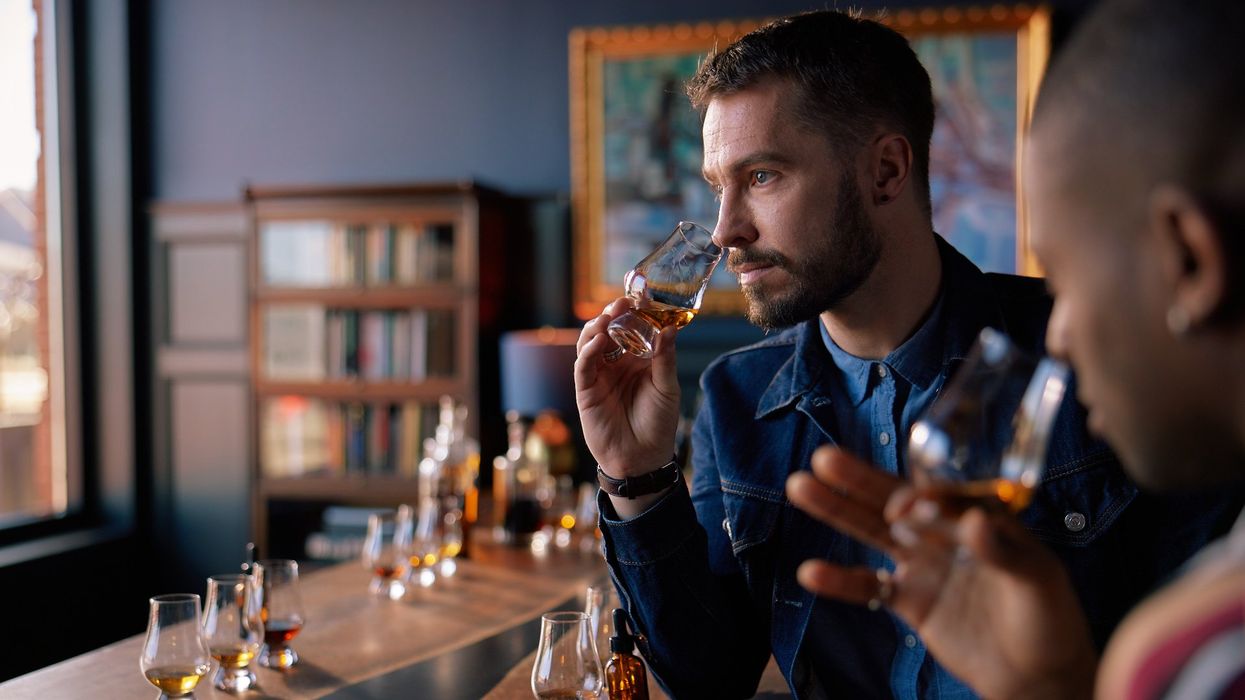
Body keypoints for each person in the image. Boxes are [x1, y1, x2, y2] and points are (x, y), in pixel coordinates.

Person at [574, 9, 1242, 699]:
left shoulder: (1104, 357)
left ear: (886, 172)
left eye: (763, 177)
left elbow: (1194, 652)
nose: (725, 231)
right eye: (720, 186)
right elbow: (707, 679)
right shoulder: (736, 397)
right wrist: (635, 474)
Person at [784, 0, 1245, 698]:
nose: (1054, 333)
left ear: (1190, 259)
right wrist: (1054, 684)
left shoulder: (1208, 651)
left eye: (1063, 275)